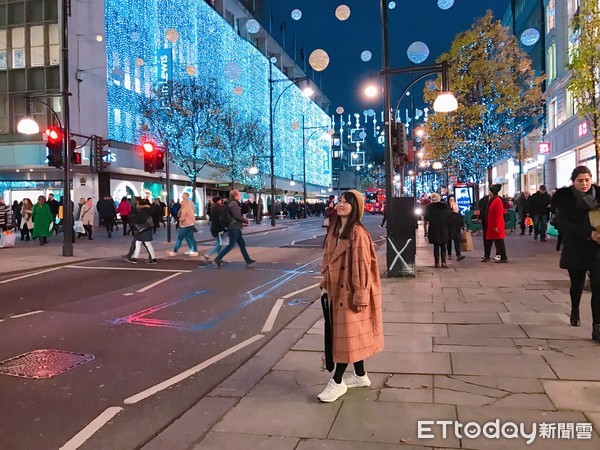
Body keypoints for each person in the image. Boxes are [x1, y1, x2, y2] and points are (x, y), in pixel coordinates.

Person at [317, 190, 384, 402]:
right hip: (338, 289)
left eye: (347, 202)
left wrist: (361, 295)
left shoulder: (358, 233)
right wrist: (325, 282)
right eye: (340, 201)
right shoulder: (337, 229)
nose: (341, 204)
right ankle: (361, 375)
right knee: (351, 335)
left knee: (346, 337)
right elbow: (327, 260)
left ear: (356, 208)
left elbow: (362, 268)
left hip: (352, 291)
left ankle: (337, 382)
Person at [552, 166, 600, 340]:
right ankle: (575, 309)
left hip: (597, 249)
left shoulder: (598, 197)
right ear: (574, 181)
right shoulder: (566, 200)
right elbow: (564, 225)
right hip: (576, 248)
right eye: (580, 180)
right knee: (577, 284)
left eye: (587, 180)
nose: (584, 183)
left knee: (598, 287)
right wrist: (588, 234)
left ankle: (597, 327)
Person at [212, 190, 256, 268]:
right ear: (235, 195)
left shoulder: (231, 203)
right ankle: (217, 259)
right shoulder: (233, 204)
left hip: (235, 226)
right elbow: (237, 216)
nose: (239, 196)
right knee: (231, 245)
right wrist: (246, 221)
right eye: (238, 194)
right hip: (233, 227)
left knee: (242, 244)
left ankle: (248, 260)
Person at [122, 199, 157, 264]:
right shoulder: (147, 210)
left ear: (140, 204)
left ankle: (152, 258)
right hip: (147, 228)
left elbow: (139, 219)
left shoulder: (142, 211)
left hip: (143, 229)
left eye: (138, 203)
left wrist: (134, 220)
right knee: (140, 243)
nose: (137, 205)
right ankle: (136, 257)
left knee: (145, 243)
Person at [167, 192, 199, 257]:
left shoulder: (184, 209)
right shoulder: (189, 208)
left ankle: (174, 251)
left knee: (179, 239)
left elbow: (183, 218)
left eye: (182, 202)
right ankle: (195, 251)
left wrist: (179, 219)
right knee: (191, 239)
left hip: (185, 226)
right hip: (190, 225)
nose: (181, 203)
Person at [482, 184, 508, 263]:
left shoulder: (497, 201)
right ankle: (487, 256)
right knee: (490, 240)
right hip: (491, 224)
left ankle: (503, 257)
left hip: (495, 225)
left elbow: (499, 215)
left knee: (499, 241)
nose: (489, 192)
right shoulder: (493, 200)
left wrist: (496, 226)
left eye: (490, 190)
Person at [424, 193, 450, 268]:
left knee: (436, 245)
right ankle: (444, 262)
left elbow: (426, 217)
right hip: (444, 227)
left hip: (434, 227)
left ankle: (437, 262)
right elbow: (449, 216)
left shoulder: (430, 207)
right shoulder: (445, 206)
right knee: (443, 245)